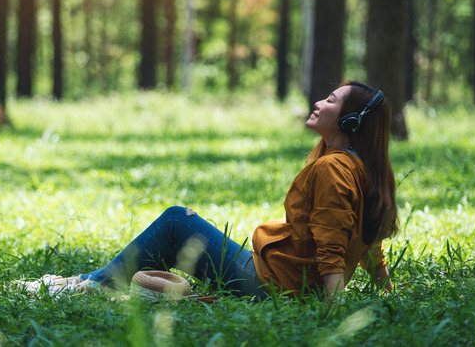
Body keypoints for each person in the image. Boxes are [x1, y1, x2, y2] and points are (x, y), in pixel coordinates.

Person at [20, 80, 398, 300]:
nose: (319, 102)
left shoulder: (334, 169)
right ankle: (85, 281)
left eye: (331, 101)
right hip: (280, 277)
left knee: (174, 220)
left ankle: (85, 286)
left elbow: (333, 243)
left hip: (272, 284)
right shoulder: (359, 167)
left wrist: (328, 314)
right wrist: (386, 291)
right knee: (179, 224)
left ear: (350, 120)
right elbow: (369, 240)